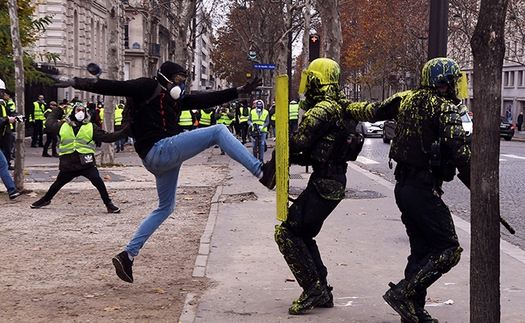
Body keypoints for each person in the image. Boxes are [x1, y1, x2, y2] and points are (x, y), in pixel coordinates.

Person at [49, 61, 274, 283]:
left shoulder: (175, 100)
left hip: (156, 159)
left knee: (165, 208)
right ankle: (261, 172)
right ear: (165, 78)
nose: (181, 85)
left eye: (183, 81)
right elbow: (113, 86)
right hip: (160, 150)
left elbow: (206, 98)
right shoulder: (147, 86)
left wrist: (238, 91)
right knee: (218, 131)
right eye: (178, 80)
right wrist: (73, 81)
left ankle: (127, 255)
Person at [346, 57, 471, 323]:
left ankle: (412, 311)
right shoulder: (445, 107)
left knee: (421, 250)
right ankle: (403, 294)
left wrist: (341, 106)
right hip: (424, 190)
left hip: (403, 188)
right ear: (444, 81)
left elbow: (372, 110)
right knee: (449, 248)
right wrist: (478, 187)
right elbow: (460, 156)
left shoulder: (406, 98)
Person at [268, 58, 366, 315]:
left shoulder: (323, 110)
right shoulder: (339, 106)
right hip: (331, 180)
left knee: (287, 234)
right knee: (302, 232)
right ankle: (321, 286)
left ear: (316, 80)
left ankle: (314, 288)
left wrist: (283, 141)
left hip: (326, 183)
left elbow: (298, 145)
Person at [30, 102, 125, 213]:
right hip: (69, 164)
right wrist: (59, 110)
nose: (80, 112)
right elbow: (49, 122)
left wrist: (124, 132)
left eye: (83, 110)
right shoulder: (62, 126)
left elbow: (108, 137)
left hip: (86, 163)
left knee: (98, 182)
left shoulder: (91, 127)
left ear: (86, 113)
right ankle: (45, 200)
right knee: (58, 184)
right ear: (73, 112)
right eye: (78, 110)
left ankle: (108, 204)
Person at [0, 79, 22, 199]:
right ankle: (12, 190)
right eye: (1, 91)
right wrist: (7, 120)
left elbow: (10, 112)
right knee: (2, 164)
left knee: (2, 164)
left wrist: (16, 116)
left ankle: (12, 190)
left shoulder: (2, 104)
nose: (3, 94)